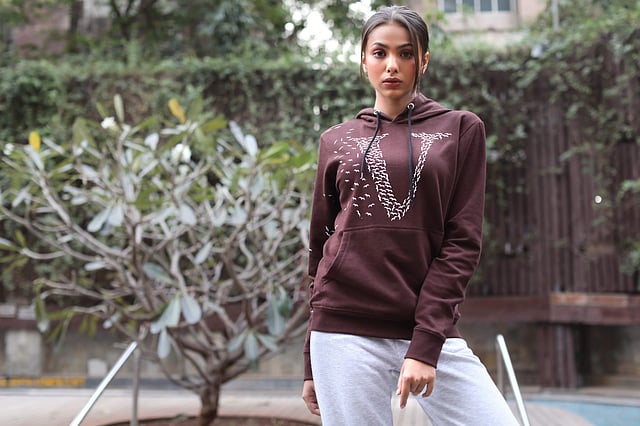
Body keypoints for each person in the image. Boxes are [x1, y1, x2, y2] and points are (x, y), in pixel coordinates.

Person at [301, 5, 520, 426]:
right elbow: (320, 247)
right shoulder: (336, 139)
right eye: (379, 53)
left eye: (405, 53)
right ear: (363, 60)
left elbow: (462, 242)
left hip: (427, 327)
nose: (392, 65)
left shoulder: (461, 129)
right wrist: (311, 360)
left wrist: (425, 344)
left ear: (423, 61)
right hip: (342, 329)